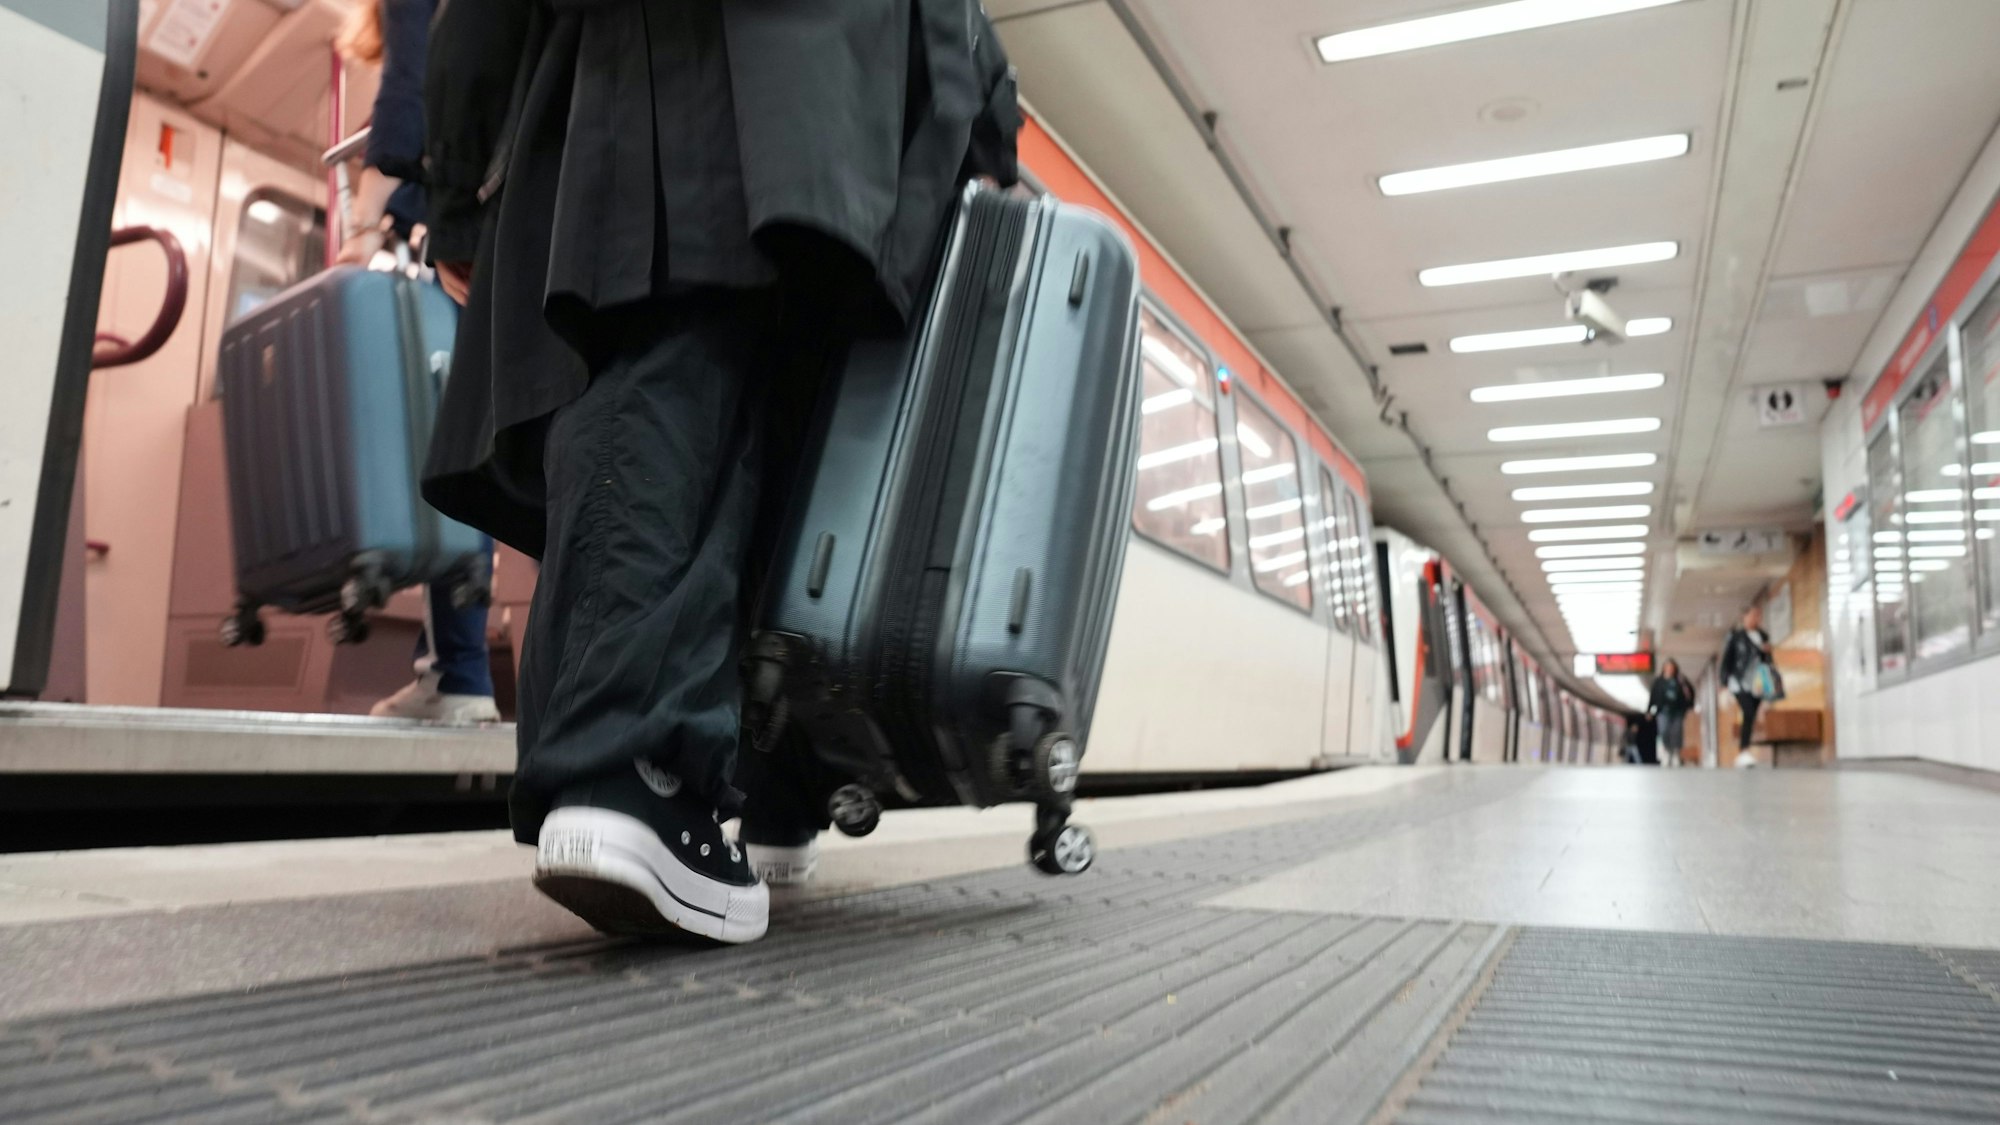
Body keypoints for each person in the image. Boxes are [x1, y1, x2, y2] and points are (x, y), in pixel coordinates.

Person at [418, 0, 1021, 943]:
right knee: (776, 413)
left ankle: (719, 783)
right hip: (840, 100)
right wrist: (986, 125)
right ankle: (643, 776)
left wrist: (457, 177)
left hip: (657, 60)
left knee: (673, 339)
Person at [337, 1, 500, 726]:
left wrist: (363, 226)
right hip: (519, 218)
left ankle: (460, 671)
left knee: (451, 446)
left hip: (454, 231)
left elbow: (409, 95)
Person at [1720, 607, 1776, 768]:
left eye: (1758, 615)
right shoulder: (1735, 637)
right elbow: (1727, 661)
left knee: (1751, 716)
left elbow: (1768, 661)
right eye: (1752, 615)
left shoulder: (1763, 636)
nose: (1755, 618)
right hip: (1739, 682)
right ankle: (1744, 751)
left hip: (1758, 682)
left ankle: (1745, 750)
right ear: (1744, 617)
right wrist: (1724, 684)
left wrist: (1767, 653)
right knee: (1748, 711)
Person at [1647, 658, 1694, 768]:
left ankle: (1675, 753)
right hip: (1663, 711)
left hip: (1678, 711)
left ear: (1675, 668)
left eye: (1671, 667)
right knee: (1664, 731)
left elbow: (1690, 692)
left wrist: (1689, 705)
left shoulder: (1681, 680)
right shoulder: (1658, 681)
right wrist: (1649, 710)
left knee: (1676, 732)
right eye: (1667, 667)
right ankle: (1667, 752)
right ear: (1664, 668)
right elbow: (1653, 696)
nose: (1669, 669)